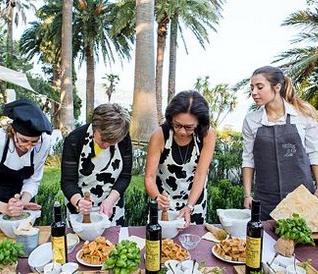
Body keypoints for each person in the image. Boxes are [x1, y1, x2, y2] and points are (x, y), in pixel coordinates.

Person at [242, 66, 318, 220]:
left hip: (301, 197)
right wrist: (247, 194)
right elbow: (248, 159)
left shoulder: (303, 116)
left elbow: (315, 153)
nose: (254, 92)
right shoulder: (251, 120)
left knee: (301, 241)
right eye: (252, 88)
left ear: (277, 87)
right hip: (265, 199)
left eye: (260, 87)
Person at [0, 99, 52, 228]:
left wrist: (22, 203)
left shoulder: (44, 143)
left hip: (17, 204)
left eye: (34, 142)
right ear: (13, 132)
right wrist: (6, 208)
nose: (29, 147)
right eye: (24, 141)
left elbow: (33, 181)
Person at [144, 90, 216, 227]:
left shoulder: (207, 135)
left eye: (189, 127)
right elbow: (149, 176)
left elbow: (200, 175)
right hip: (163, 200)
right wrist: (156, 197)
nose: (182, 131)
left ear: (199, 123)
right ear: (171, 118)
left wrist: (189, 206)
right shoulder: (160, 135)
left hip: (194, 200)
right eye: (177, 125)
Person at [61, 103, 132, 226]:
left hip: (112, 209)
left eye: (112, 142)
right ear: (95, 127)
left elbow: (125, 176)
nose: (105, 145)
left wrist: (110, 201)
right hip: (79, 211)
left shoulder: (123, 138)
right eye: (103, 140)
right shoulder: (75, 140)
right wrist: (79, 202)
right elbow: (67, 181)